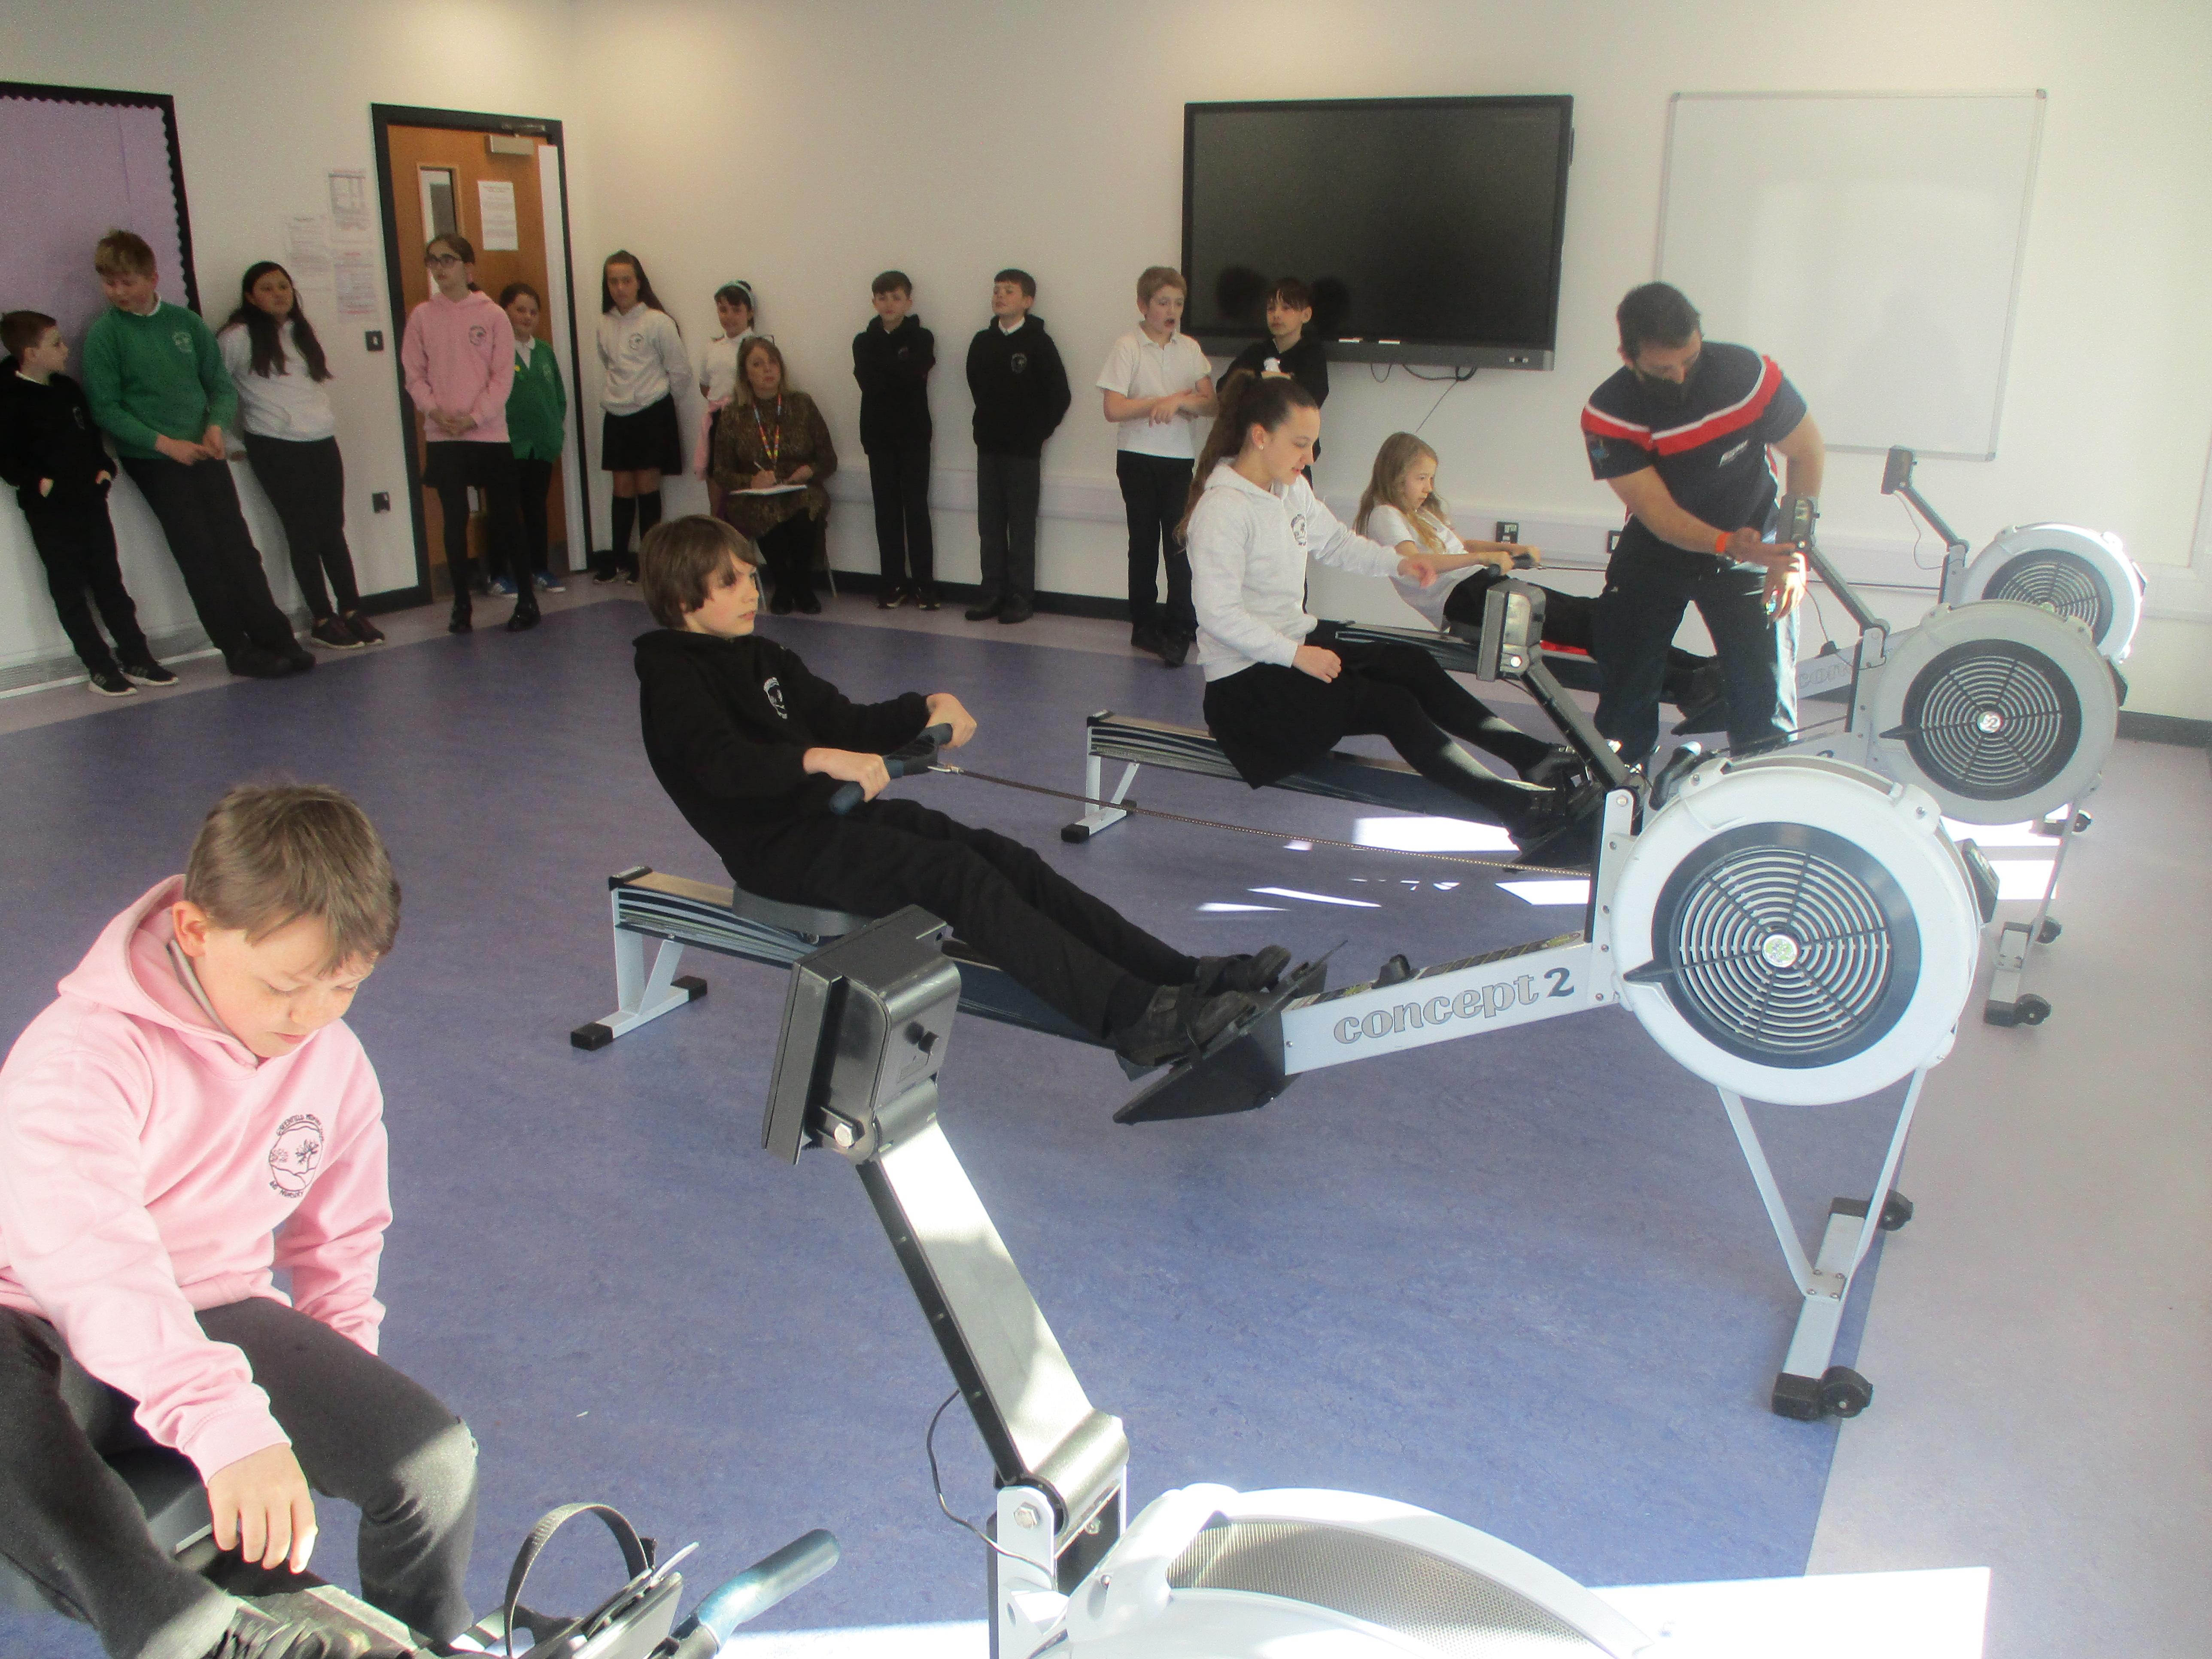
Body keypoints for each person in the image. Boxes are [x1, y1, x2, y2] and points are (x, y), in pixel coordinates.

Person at [0, 784, 478, 1659]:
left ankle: (424, 1642)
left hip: (207, 1306)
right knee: (161, 1605)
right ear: (193, 930)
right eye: (283, 986)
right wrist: (224, 1422)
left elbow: (341, 1240)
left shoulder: (332, 1061)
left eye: (345, 986)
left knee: (432, 1465)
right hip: (32, 1324)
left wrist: (338, 1390)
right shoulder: (79, 1060)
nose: (311, 1016)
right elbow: (97, 1268)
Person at [632, 514, 1289, 1068]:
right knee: (956, 877)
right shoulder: (671, 678)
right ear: (685, 599)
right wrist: (819, 759)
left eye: (751, 575)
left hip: (833, 824)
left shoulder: (762, 656)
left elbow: (849, 722)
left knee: (1006, 859)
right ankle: (1134, 1019)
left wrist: (928, 707)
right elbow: (724, 767)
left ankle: (1180, 975)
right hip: (778, 853)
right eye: (730, 581)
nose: (752, 589)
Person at [1184, 374, 1586, 854]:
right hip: (1248, 691)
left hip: (1293, 652)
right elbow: (1217, 615)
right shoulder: (1223, 510)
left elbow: (1338, 544)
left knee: (1410, 664)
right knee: (1390, 705)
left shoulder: (1289, 491)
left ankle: (1534, 757)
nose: (1309, 458)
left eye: (1313, 445)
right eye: (1300, 444)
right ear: (1259, 436)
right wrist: (1296, 655)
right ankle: (1520, 812)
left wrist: (1401, 563)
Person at [1580, 282, 1820, 762]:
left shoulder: (1749, 376)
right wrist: (1728, 543)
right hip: (1659, 550)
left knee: (1767, 706)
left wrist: (1792, 553)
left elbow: (1807, 453)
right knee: (1625, 698)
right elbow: (1659, 515)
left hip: (1756, 542)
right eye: (1662, 369)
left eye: (1689, 359)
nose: (1680, 376)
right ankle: (1616, 798)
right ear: (1628, 358)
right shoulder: (1610, 413)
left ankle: (1763, 792)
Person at [80, 229, 312, 680]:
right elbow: (105, 408)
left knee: (238, 548)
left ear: (152, 278)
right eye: (109, 283)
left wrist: (215, 426)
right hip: (156, 461)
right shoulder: (105, 335)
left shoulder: (185, 324)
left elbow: (220, 387)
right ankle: (236, 648)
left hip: (204, 451)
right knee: (199, 554)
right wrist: (166, 445)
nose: (118, 292)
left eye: (127, 282)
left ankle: (274, 635)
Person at [1360, 431, 1719, 714]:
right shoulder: (1385, 515)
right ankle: (1688, 685)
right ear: (1396, 476)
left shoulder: (1419, 513)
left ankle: (1698, 671)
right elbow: (1415, 562)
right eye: (1422, 478)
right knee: (1595, 625)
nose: (1429, 488)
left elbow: (1458, 545)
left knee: (1600, 616)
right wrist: (1485, 558)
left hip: (1480, 588)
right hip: (1464, 601)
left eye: (1431, 479)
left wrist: (1507, 550)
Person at [0, 310, 176, 696]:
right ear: (31, 353)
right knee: (69, 589)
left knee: (109, 581)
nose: (66, 350)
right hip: (49, 511)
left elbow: (90, 438)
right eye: (56, 344)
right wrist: (41, 483)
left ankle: (137, 656)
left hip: (90, 502)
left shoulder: (67, 389)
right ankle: (99, 666)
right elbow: (7, 459)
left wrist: (103, 470)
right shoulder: (8, 398)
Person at [218, 262, 384, 651]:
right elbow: (216, 388)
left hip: (320, 439)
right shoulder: (237, 337)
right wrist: (228, 441)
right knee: (303, 531)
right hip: (274, 443)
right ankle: (322, 618)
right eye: (267, 288)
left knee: (333, 528)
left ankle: (352, 610)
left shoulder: (301, 332)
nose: (279, 294)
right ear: (250, 297)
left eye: (284, 286)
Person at [399, 233, 532, 634]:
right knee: (454, 520)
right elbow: (414, 375)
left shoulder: (493, 315)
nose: (440, 268)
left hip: (488, 435)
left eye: (448, 260)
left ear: (468, 268)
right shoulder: (422, 316)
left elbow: (502, 377)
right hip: (444, 435)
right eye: (433, 260)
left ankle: (527, 600)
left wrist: (475, 417)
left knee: (507, 516)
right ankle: (461, 604)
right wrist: (434, 411)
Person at [1097, 266, 1215, 666]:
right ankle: (1144, 624)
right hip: (1137, 458)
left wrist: (1179, 401)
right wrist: (1160, 402)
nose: (1172, 311)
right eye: (1163, 303)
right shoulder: (1128, 346)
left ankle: (1181, 625)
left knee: (1180, 544)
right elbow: (1114, 408)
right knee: (1144, 543)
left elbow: (1211, 404)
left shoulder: (1190, 349)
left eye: (1178, 303)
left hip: (1179, 460)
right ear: (1143, 305)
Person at [963, 268, 1070, 626]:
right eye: (996, 290)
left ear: (1027, 301)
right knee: (990, 526)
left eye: (1009, 291)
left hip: (1024, 452)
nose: (1000, 296)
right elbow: (976, 386)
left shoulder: (1039, 343)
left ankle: (1021, 597)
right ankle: (991, 593)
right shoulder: (982, 342)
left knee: (1021, 527)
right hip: (989, 447)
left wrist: (1037, 433)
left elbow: (1060, 395)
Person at [711, 337, 835, 615]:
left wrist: (811, 470)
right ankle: (783, 584)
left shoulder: (802, 404)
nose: (768, 369)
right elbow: (720, 471)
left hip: (799, 487)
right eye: (758, 364)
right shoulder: (733, 414)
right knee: (763, 509)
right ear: (745, 374)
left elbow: (828, 459)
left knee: (806, 506)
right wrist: (750, 482)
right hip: (754, 494)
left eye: (773, 362)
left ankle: (802, 584)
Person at [593, 250, 688, 585]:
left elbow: (680, 371)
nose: (620, 288)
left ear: (638, 283)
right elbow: (608, 362)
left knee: (647, 485)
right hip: (617, 412)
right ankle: (618, 559)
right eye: (613, 281)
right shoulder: (604, 323)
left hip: (651, 412)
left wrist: (659, 403)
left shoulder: (658, 322)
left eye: (626, 280)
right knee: (621, 487)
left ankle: (648, 563)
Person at [852, 270, 937, 610]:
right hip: (878, 437)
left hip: (915, 436)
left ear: (909, 302)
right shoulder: (863, 341)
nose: (889, 304)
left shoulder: (922, 337)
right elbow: (869, 382)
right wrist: (898, 369)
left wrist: (890, 370)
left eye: (896, 297)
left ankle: (925, 586)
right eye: (883, 298)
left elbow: (915, 373)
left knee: (916, 510)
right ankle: (894, 583)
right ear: (874, 302)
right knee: (886, 512)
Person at [500, 281, 568, 596]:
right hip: (509, 444)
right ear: (505, 312)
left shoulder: (544, 352)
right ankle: (501, 574)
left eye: (533, 312)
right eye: (520, 310)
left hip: (541, 445)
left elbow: (559, 397)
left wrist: (554, 429)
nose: (527, 317)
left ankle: (540, 568)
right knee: (506, 508)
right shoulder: (498, 351)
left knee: (536, 507)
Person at [694, 281, 757, 516]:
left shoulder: (756, 346)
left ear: (750, 313)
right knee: (717, 496)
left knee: (745, 497)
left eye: (736, 310)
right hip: (719, 421)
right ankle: (718, 536)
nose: (729, 316)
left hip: (747, 421)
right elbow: (705, 386)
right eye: (723, 310)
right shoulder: (713, 347)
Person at [1224, 277, 1329, 409]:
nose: (1277, 315)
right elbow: (1225, 387)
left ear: (1306, 315)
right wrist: (1261, 377)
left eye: (1286, 308)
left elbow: (1314, 396)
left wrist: (1276, 379)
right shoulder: (1256, 352)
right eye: (1271, 309)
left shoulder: (1313, 354)